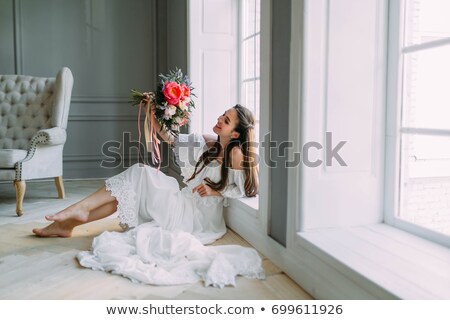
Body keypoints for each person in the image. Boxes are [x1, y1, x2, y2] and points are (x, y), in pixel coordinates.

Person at [32, 104, 258, 245]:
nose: (219, 119)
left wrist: (215, 190)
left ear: (236, 132)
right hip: (183, 202)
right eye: (222, 114)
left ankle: (78, 210)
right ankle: (68, 224)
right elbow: (169, 138)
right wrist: (152, 111)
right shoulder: (209, 142)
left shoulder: (236, 153)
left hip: (194, 219)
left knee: (140, 174)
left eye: (226, 121)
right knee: (129, 192)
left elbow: (249, 189)